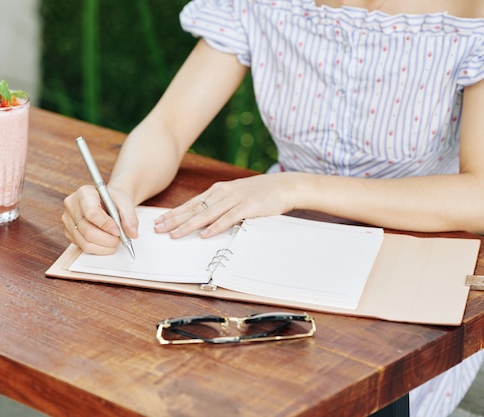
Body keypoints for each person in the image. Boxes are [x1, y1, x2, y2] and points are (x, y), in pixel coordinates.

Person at [62, 1, 484, 415]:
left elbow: (477, 195)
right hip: (275, 251)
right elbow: (167, 127)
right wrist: (119, 193)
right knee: (174, 375)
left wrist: (295, 187)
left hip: (414, 264)